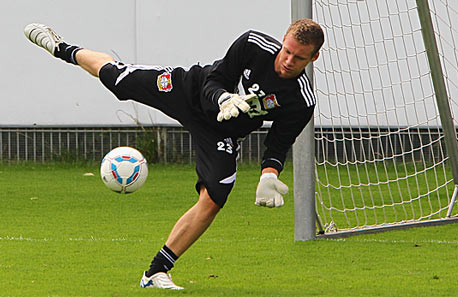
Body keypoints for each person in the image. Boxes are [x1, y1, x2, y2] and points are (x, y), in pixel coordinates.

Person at [24, 19, 324, 290]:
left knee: (215, 198)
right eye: (286, 51)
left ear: (313, 57)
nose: (287, 60)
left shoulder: (301, 99)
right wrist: (224, 99)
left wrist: (269, 175)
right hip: (189, 91)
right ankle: (63, 48)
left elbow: (279, 141)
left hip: (221, 132)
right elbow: (214, 80)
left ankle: (155, 272)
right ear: (282, 41)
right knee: (117, 78)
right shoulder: (253, 45)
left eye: (298, 58)